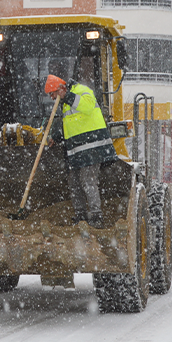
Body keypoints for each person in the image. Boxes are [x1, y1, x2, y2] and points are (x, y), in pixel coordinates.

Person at [44, 74, 117, 228]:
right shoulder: (64, 104)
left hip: (93, 147)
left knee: (87, 180)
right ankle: (81, 216)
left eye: (52, 93)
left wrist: (68, 96)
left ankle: (96, 217)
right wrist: (56, 138)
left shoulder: (82, 91)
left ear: (61, 88)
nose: (51, 98)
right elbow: (71, 125)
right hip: (77, 150)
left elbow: (87, 106)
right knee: (74, 182)